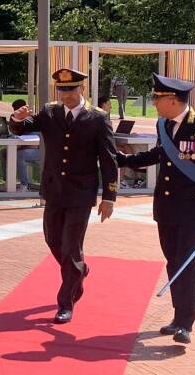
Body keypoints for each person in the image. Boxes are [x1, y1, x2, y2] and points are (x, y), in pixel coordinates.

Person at [116, 74, 195, 344]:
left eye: (157, 98)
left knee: (186, 260)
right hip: (166, 205)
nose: (154, 102)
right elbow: (159, 155)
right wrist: (124, 160)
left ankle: (186, 322)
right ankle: (177, 316)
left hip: (192, 206)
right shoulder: (164, 125)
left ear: (172, 100)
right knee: (173, 259)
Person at [9, 68, 117, 324]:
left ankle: (66, 302)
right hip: (54, 190)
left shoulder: (98, 118)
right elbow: (21, 128)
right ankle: (79, 270)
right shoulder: (50, 112)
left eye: (70, 90)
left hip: (81, 192)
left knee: (71, 246)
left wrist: (109, 196)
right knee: (53, 240)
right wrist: (16, 118)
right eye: (62, 90)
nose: (66, 95)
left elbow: (108, 158)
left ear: (82, 89)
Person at [0, 98, 41, 190]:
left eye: (18, 109)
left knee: (20, 155)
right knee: (3, 152)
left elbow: (35, 142)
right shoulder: (15, 120)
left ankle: (24, 185)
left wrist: (18, 147)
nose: (16, 112)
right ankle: (8, 182)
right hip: (22, 147)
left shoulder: (31, 120)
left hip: (39, 150)